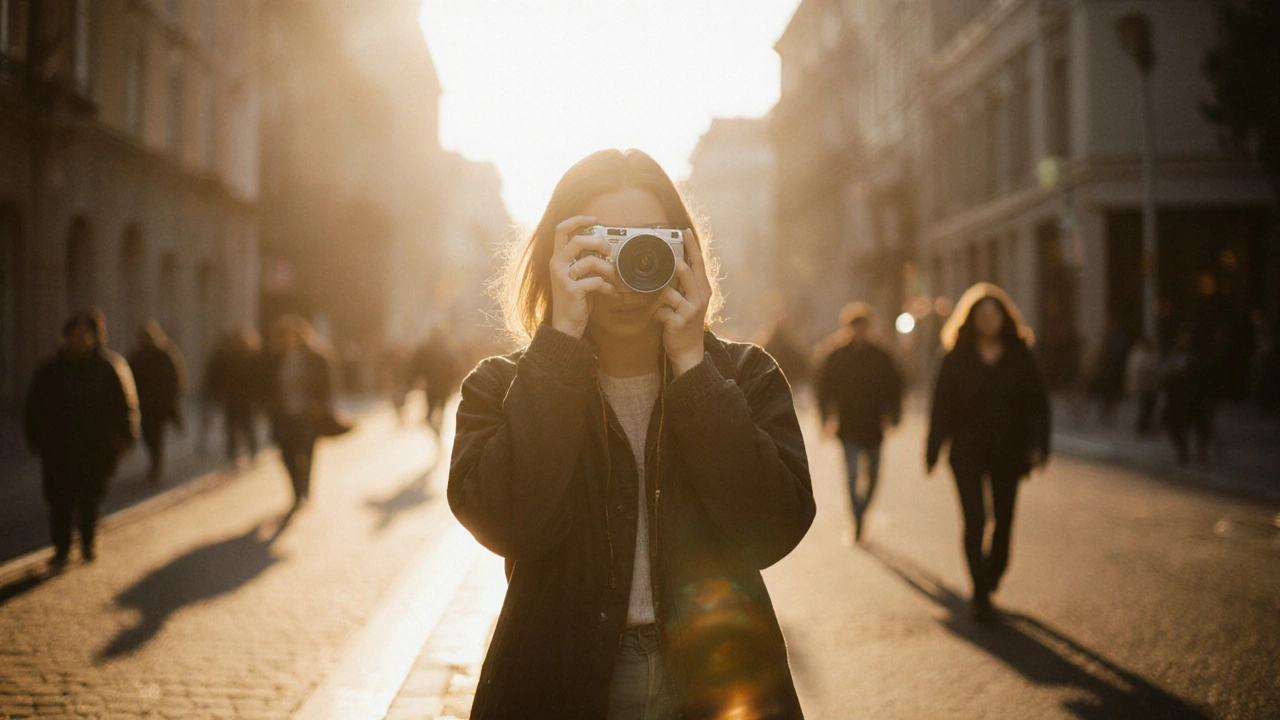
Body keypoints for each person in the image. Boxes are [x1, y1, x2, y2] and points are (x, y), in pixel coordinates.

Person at [448, 149, 815, 719]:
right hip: (558, 680)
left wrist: (693, 365)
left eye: (649, 243)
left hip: (717, 681)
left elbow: (771, 528)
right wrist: (560, 348)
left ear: (685, 253)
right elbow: (509, 522)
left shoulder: (745, 376)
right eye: (600, 244)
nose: (625, 269)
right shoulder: (501, 386)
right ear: (557, 256)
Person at [926, 283, 1049, 622]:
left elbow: (1038, 405)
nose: (988, 319)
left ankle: (994, 570)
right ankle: (980, 594)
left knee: (1004, 520)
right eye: (981, 314)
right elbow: (940, 407)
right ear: (970, 319)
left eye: (994, 313)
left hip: (1010, 451)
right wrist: (933, 449)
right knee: (975, 519)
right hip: (967, 450)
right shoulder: (955, 357)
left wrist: (1038, 446)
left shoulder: (1020, 355)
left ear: (1005, 317)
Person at [24, 309, 139, 569]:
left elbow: (123, 405)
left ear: (94, 338)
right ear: (65, 337)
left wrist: (125, 436)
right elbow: (35, 406)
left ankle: (87, 542)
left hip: (95, 449)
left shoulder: (107, 368)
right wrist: (35, 437)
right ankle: (62, 548)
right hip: (58, 449)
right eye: (75, 334)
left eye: (86, 334)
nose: (80, 339)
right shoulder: (50, 370)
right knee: (60, 500)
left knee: (90, 498)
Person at [815, 302, 903, 543]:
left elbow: (895, 386)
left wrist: (894, 416)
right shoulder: (836, 357)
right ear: (847, 329)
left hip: (874, 426)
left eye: (863, 327)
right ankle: (857, 517)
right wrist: (825, 418)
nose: (859, 332)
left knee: (873, 476)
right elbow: (823, 390)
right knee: (852, 475)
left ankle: (862, 510)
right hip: (848, 426)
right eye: (855, 328)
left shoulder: (881, 356)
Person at [266, 315, 336, 508]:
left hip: (308, 414)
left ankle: (305, 486)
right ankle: (297, 489)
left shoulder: (316, 357)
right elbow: (264, 384)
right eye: (286, 336)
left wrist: (321, 404)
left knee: (306, 451)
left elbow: (327, 384)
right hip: (283, 413)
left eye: (293, 335)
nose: (290, 339)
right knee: (286, 452)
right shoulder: (275, 358)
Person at [128, 321, 186, 484]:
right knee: (147, 435)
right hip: (143, 405)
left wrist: (171, 399)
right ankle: (155, 462)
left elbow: (175, 379)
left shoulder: (164, 354)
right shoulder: (137, 356)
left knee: (156, 436)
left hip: (160, 405)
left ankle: (156, 463)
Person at [206, 327, 265, 463]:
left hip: (242, 398)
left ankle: (246, 450)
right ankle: (240, 452)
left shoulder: (250, 357)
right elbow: (216, 376)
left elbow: (259, 378)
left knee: (243, 426)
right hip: (235, 398)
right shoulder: (228, 357)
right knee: (237, 427)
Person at [1125, 336, 1160, 437]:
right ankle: (1142, 428)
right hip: (1144, 387)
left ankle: (1144, 427)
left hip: (1146, 387)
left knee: (1146, 408)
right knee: (1143, 409)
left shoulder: (1138, 355)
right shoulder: (1141, 356)